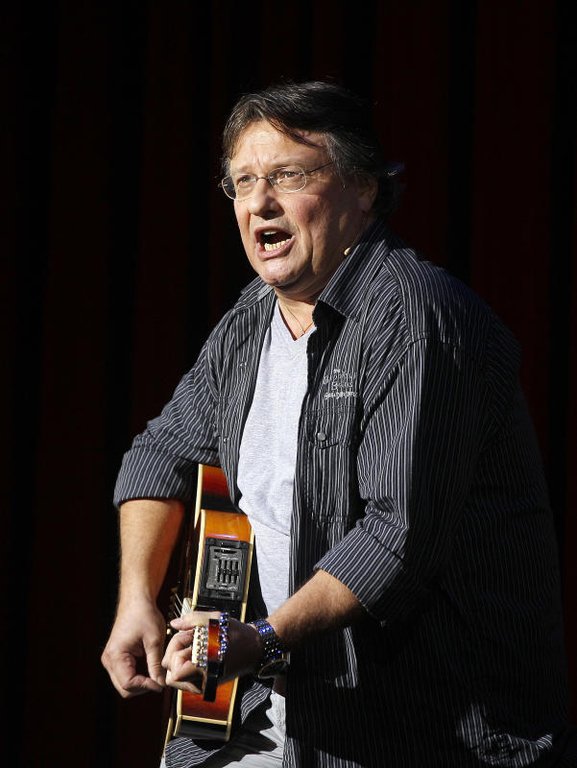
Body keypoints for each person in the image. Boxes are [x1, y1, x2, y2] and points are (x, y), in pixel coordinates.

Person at [101, 79, 576, 768]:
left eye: (288, 175)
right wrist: (136, 602)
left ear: (364, 188)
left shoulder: (418, 319)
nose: (259, 202)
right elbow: (157, 455)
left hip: (419, 733)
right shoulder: (248, 323)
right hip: (258, 717)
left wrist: (262, 640)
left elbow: (394, 539)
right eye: (242, 182)